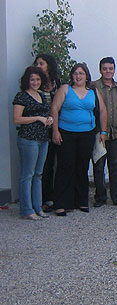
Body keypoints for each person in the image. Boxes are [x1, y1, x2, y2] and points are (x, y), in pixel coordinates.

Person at [50, 63, 108, 216]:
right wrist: (55, 130)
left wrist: (103, 131)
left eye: (81, 73)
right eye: (75, 73)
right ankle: (62, 203)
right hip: (66, 132)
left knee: (82, 167)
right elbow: (54, 109)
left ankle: (81, 201)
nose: (78, 76)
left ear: (86, 76)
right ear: (72, 76)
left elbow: (102, 111)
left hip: (87, 134)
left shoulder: (93, 91)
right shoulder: (65, 89)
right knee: (65, 167)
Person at [13, 66, 53, 220]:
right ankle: (26, 209)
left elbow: (45, 114)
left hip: (42, 138)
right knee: (27, 174)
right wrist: (37, 118)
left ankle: (38, 207)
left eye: (38, 79)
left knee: (38, 174)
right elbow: (17, 119)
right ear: (27, 81)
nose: (35, 82)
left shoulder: (41, 96)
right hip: (28, 139)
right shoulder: (21, 96)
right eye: (32, 79)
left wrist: (48, 119)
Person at [92, 57, 117, 207]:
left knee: (116, 166)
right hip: (99, 132)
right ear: (100, 70)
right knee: (99, 166)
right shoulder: (93, 87)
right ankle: (100, 197)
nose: (108, 71)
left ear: (114, 69)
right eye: (105, 68)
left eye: (111, 68)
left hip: (116, 132)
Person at [34, 54, 61, 212]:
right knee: (45, 165)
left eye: (41, 63)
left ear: (49, 66)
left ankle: (56, 196)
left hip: (57, 128)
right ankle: (44, 198)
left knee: (58, 164)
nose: (39, 66)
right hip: (40, 130)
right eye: (37, 63)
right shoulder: (35, 84)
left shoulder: (57, 84)